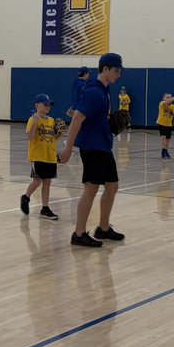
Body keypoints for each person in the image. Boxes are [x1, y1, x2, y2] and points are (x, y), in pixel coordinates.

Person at [59, 53, 124, 247]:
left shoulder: (104, 89)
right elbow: (77, 119)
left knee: (112, 185)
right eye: (116, 71)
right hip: (92, 146)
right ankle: (79, 233)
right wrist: (68, 148)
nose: (118, 75)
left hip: (103, 144)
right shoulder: (94, 92)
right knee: (91, 188)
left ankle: (103, 228)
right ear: (105, 69)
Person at [21, 93, 60, 220]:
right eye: (45, 104)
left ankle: (45, 208)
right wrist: (35, 123)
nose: (48, 107)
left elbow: (52, 138)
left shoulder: (52, 121)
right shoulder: (32, 119)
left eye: (49, 105)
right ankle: (26, 197)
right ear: (37, 105)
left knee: (47, 182)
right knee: (37, 181)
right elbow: (30, 137)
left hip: (50, 156)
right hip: (38, 156)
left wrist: (60, 133)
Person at [156, 92, 174, 159]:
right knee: (163, 137)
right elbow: (168, 101)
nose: (169, 99)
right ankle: (163, 152)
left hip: (169, 125)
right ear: (163, 98)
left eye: (170, 97)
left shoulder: (173, 106)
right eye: (167, 97)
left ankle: (166, 151)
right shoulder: (162, 103)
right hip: (161, 123)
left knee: (168, 139)